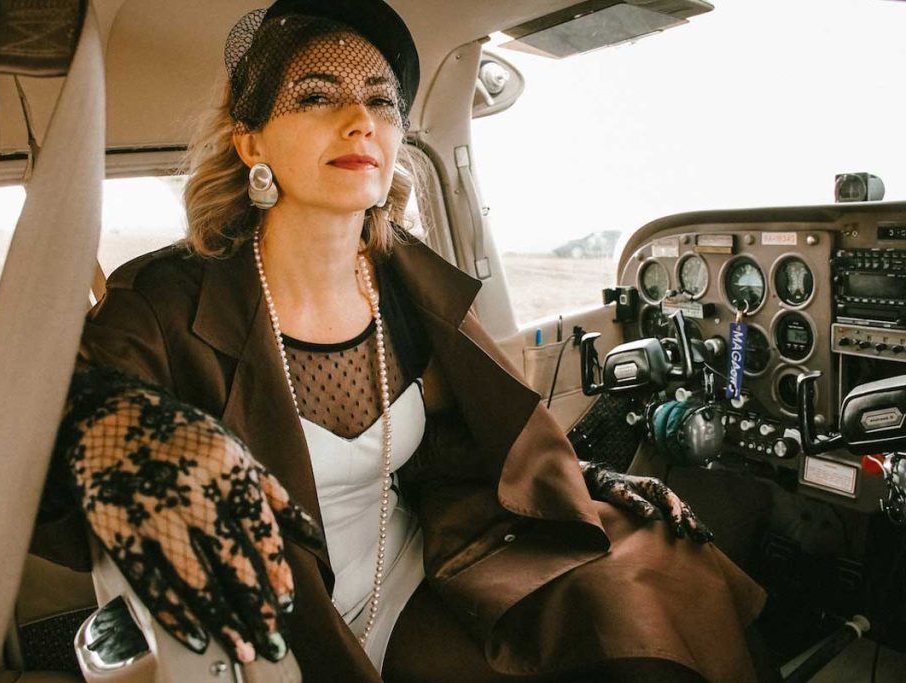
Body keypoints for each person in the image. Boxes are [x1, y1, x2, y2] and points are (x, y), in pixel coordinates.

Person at [71, 0, 773, 680]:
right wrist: (125, 428)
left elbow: (476, 435)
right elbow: (46, 427)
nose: (360, 122)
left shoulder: (402, 279)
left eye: (381, 102)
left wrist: (590, 484)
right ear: (251, 140)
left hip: (411, 583)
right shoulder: (162, 298)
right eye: (318, 97)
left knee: (651, 601)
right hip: (272, 627)